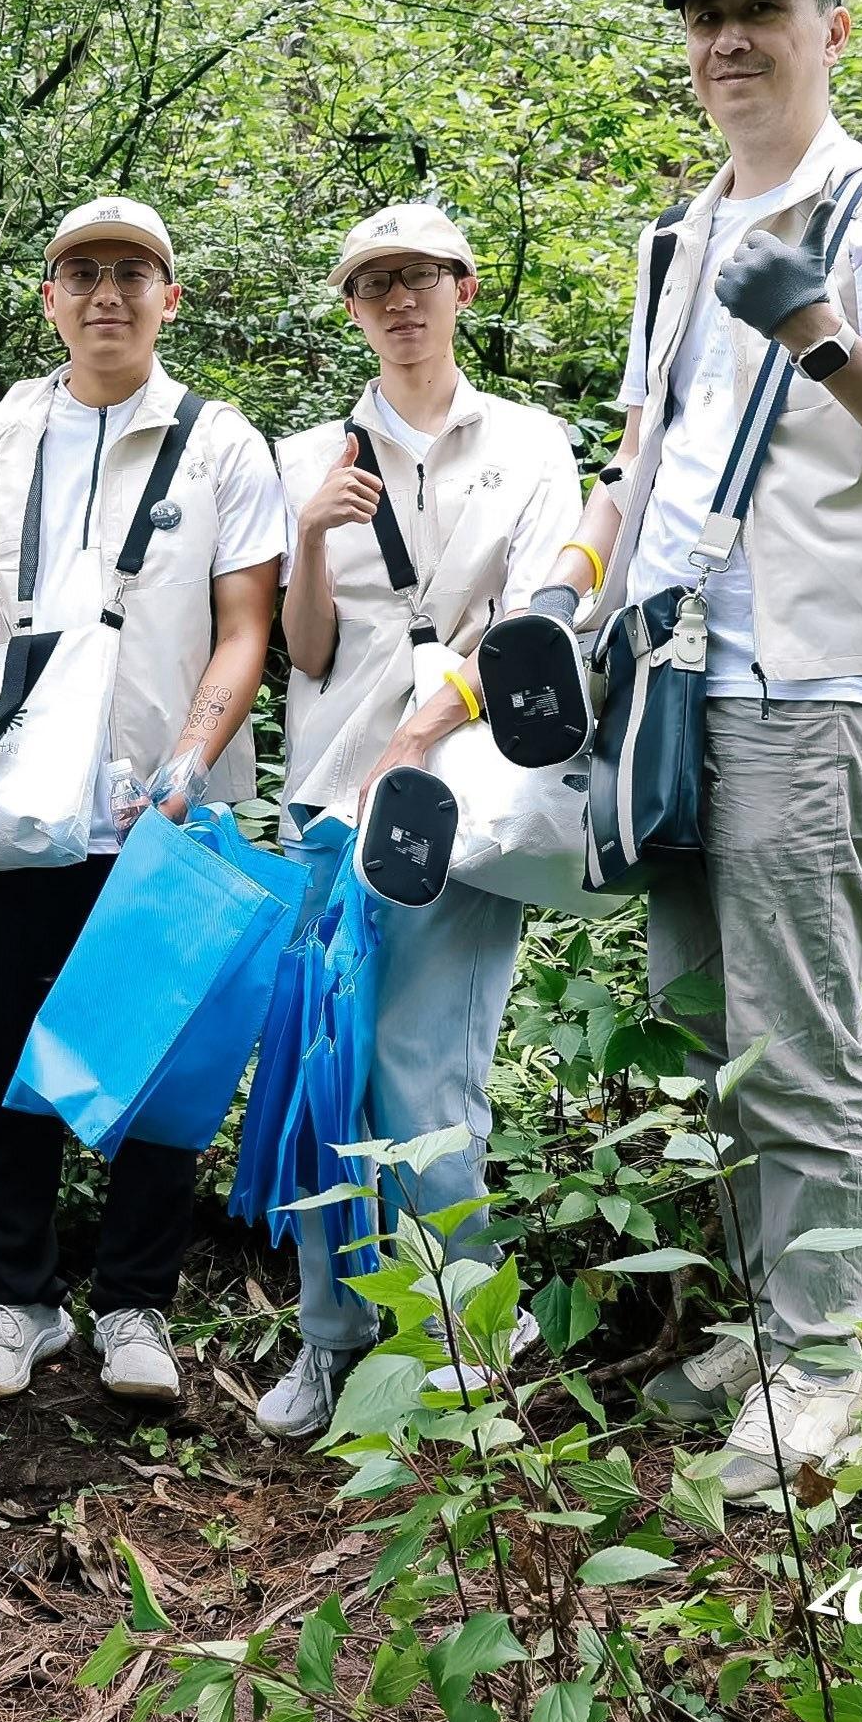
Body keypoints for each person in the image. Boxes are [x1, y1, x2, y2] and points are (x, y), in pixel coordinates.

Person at [489, 0, 862, 1503]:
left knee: (798, 1031)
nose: (728, 41)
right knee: (705, 1028)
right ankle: (766, 1320)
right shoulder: (679, 234)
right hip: (673, 675)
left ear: (831, 27)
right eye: (704, 16)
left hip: (803, 681)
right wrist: (566, 583)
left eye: (760, 9)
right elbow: (646, 451)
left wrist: (824, 340)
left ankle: (827, 1363)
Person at [0, 196, 288, 1406]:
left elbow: (245, 625)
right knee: (0, 1048)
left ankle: (134, 1303)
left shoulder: (222, 443)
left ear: (169, 297)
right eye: (82, 274)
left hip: (164, 805)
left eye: (130, 273)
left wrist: (189, 758)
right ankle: (15, 1300)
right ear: (49, 297)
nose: (106, 294)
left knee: (158, 1049)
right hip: (17, 803)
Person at [244, 204, 583, 1440]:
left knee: (425, 1060)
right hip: (329, 794)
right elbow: (303, 651)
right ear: (350, 307)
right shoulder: (303, 455)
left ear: (462, 287)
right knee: (321, 1062)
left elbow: (537, 616)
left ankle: (464, 1329)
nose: (399, 300)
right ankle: (330, 1333)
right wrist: (309, 535)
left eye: (420, 277)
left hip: (460, 798)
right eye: (374, 283)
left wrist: (425, 727)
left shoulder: (528, 441)